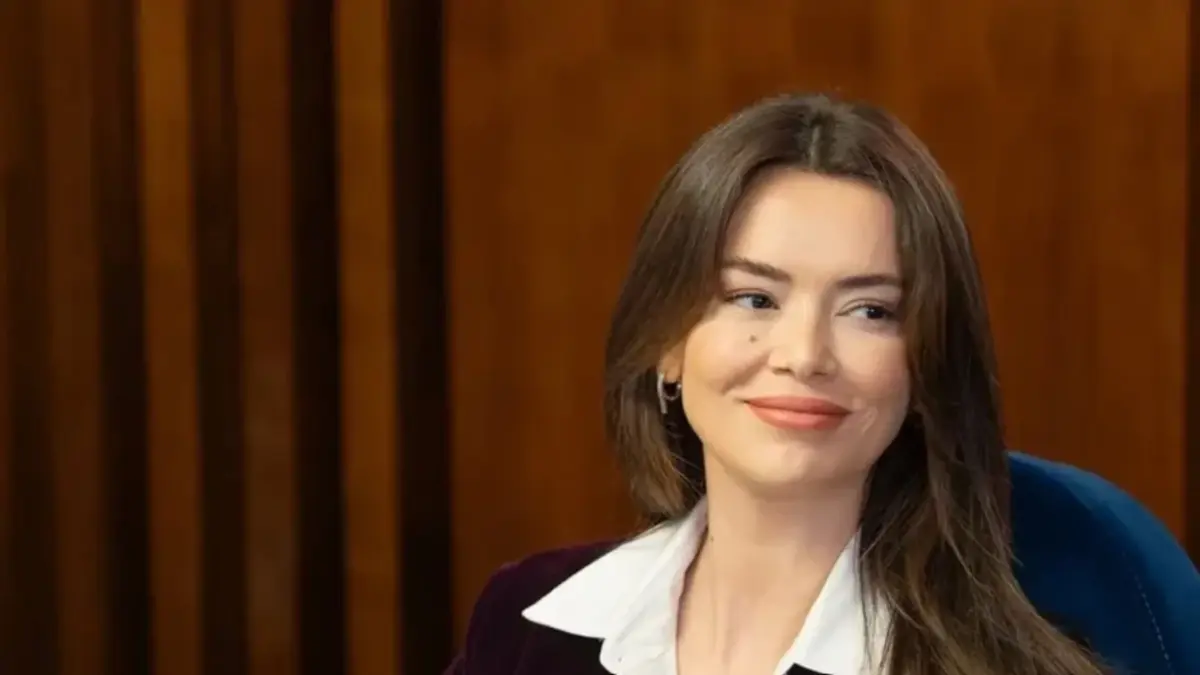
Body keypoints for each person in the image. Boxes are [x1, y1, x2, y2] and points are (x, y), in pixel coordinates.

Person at [444, 93, 1200, 675]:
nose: (805, 355)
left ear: (925, 368)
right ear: (666, 343)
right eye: (754, 298)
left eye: (870, 311)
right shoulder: (524, 624)